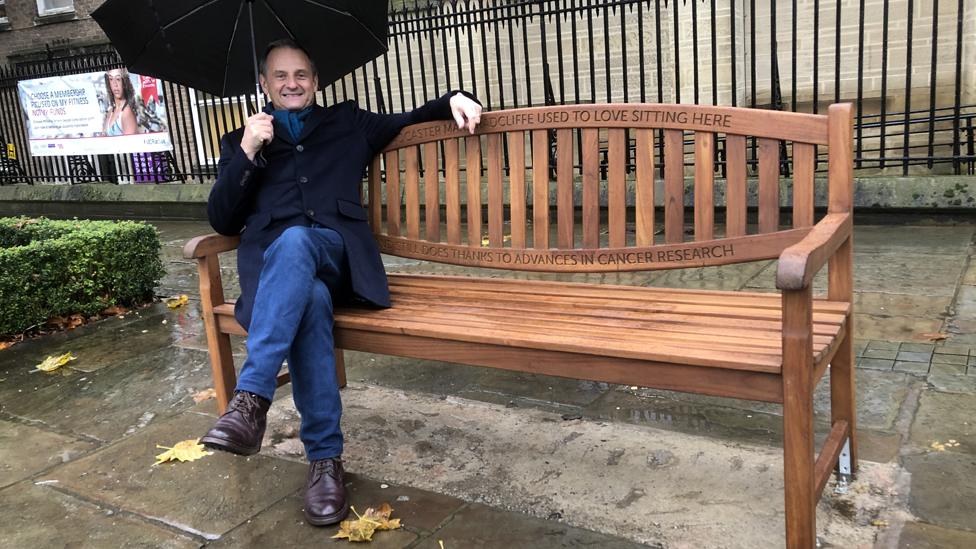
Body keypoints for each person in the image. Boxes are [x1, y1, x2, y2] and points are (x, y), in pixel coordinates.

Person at [201, 39, 482, 526]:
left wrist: (455, 96)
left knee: (296, 243)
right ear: (265, 84)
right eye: (281, 76)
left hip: (336, 257)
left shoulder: (348, 122)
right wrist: (248, 150)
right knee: (307, 299)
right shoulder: (241, 140)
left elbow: (409, 117)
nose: (292, 84)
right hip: (278, 281)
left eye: (302, 75)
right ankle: (325, 464)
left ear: (316, 81)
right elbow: (223, 219)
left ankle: (250, 400)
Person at [102, 68, 138, 136]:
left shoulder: (126, 112)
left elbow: (132, 144)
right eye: (111, 79)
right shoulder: (110, 111)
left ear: (124, 82)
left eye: (118, 79)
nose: (115, 84)